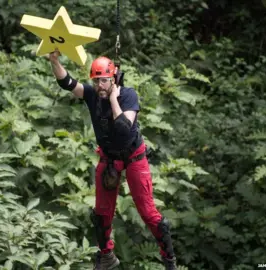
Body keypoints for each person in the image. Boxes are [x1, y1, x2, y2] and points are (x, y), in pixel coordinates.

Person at [48, 49, 177, 270]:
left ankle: (169, 259)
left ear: (113, 80)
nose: (100, 86)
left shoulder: (128, 95)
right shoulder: (91, 94)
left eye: (105, 81)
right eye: (97, 81)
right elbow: (67, 83)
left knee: (147, 212)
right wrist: (54, 60)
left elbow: (124, 128)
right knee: (101, 213)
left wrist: (114, 99)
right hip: (109, 159)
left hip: (134, 157)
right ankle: (106, 256)